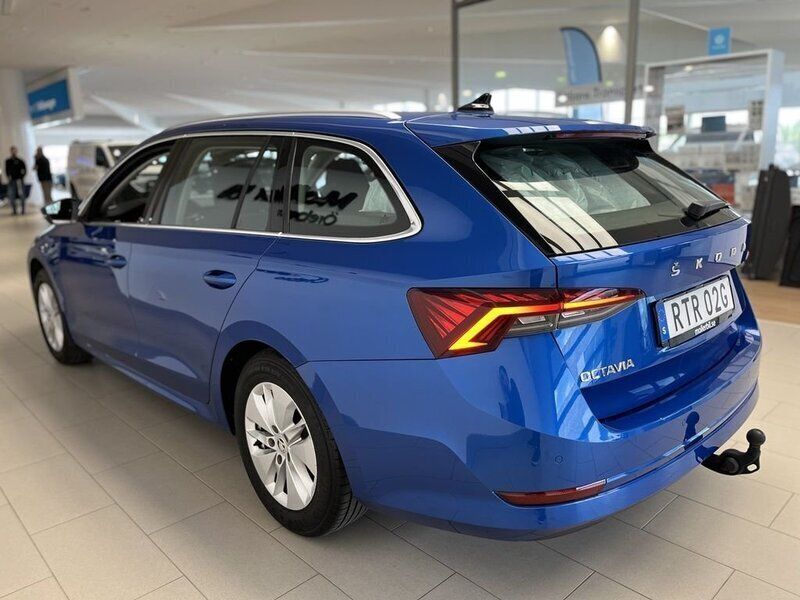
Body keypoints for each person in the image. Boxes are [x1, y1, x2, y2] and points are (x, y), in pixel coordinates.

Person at [5, 146, 27, 215]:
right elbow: (7, 171)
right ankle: (14, 210)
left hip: (19, 181)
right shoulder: (8, 161)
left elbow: (24, 170)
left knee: (22, 195)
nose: (13, 152)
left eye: (15, 150)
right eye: (12, 151)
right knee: (12, 195)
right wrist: (9, 177)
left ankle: (23, 210)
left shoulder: (20, 161)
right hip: (12, 181)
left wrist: (21, 177)